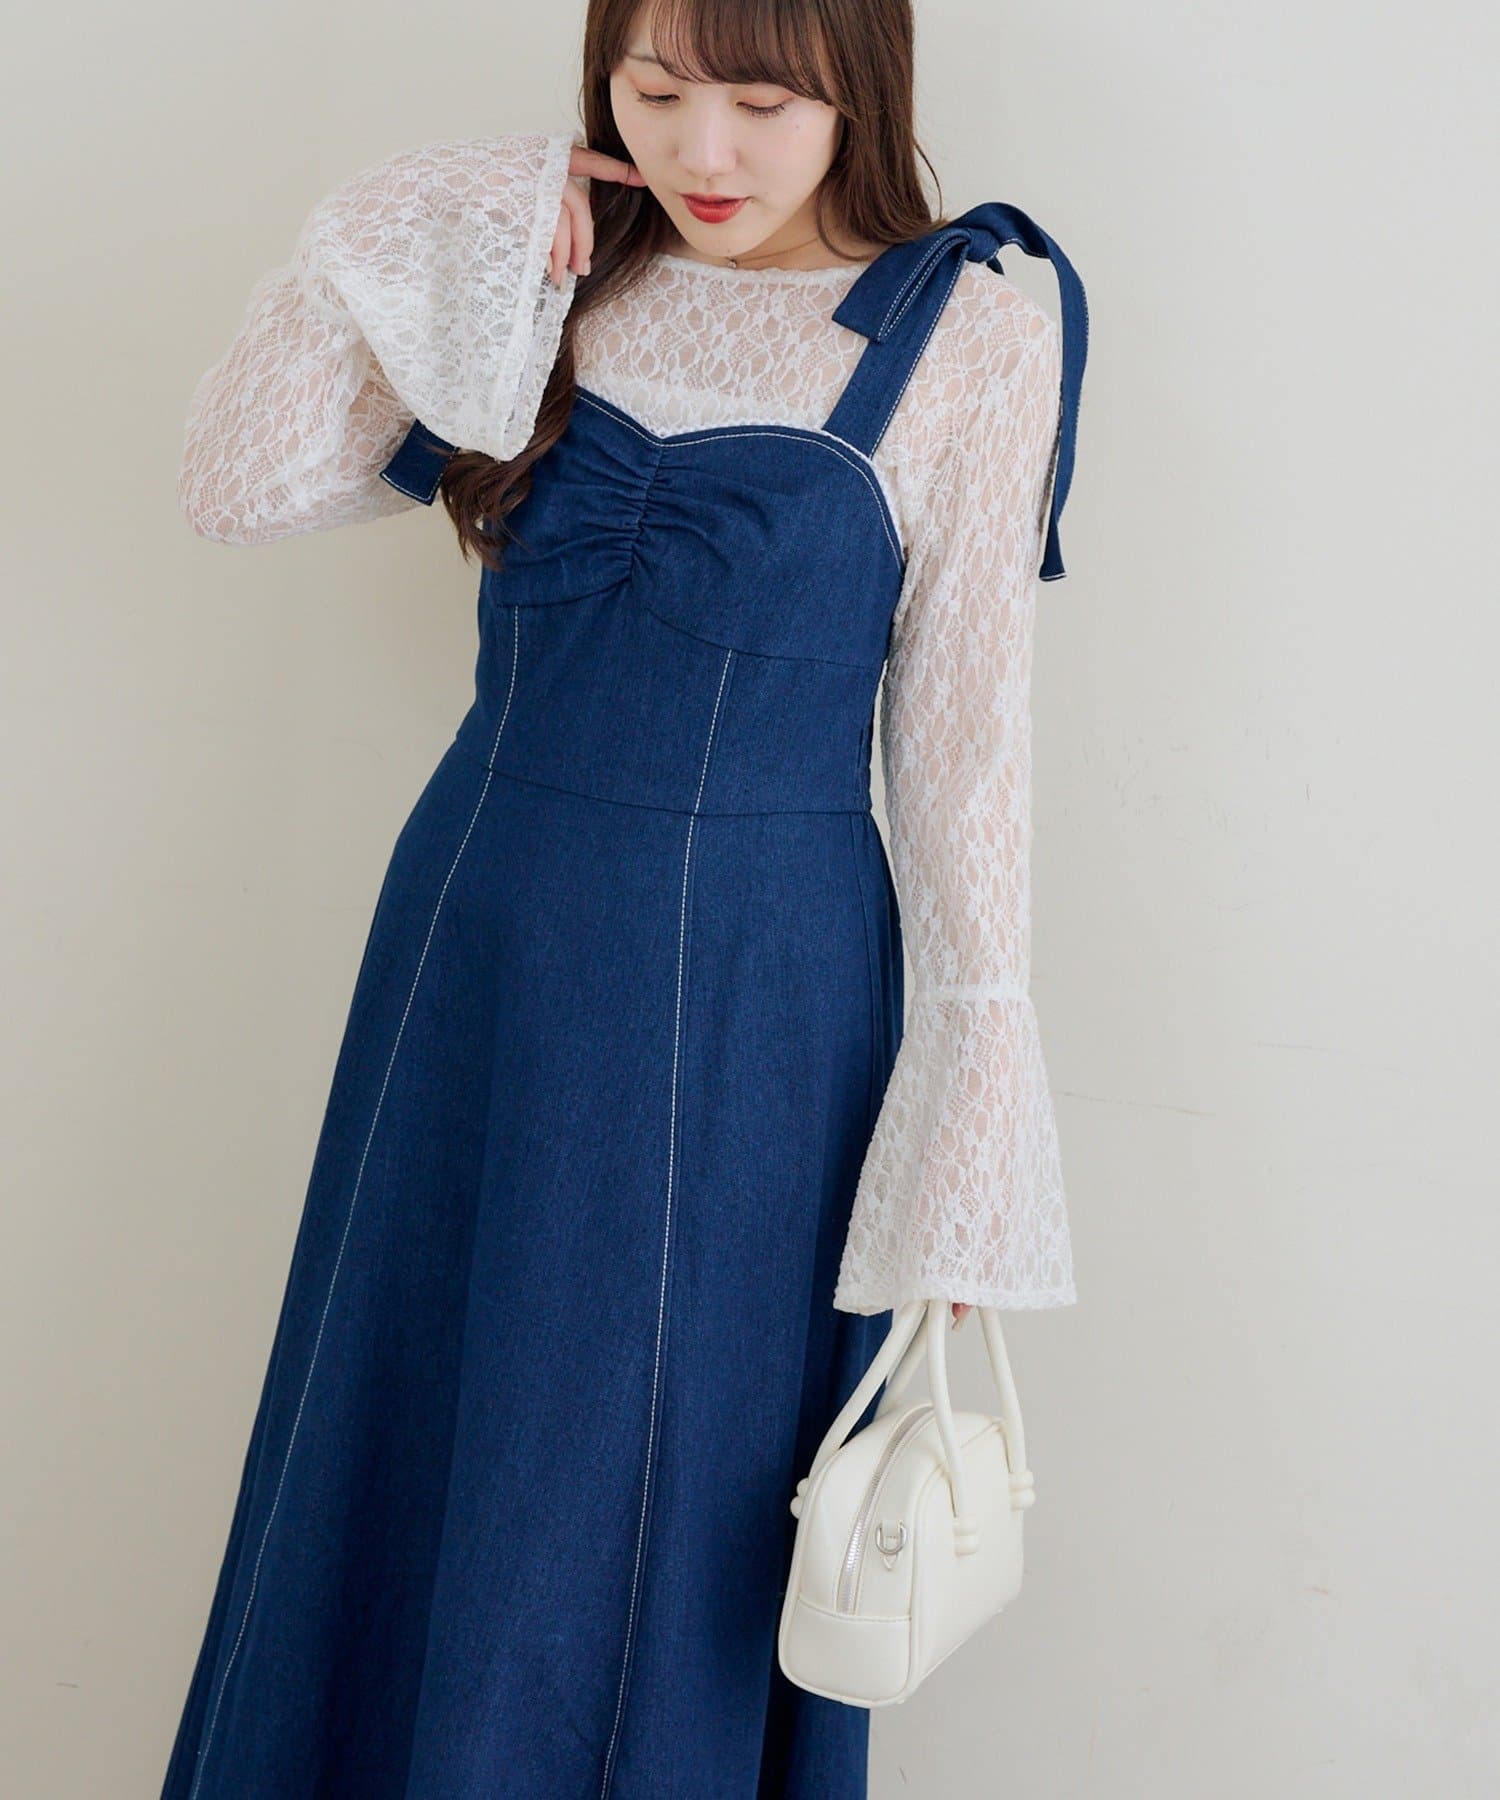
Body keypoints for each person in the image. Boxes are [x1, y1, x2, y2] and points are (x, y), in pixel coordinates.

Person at [162, 0, 1086, 1792]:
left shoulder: (975, 325)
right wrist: (398, 224)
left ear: (858, 92)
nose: (700, 152)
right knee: (411, 1417)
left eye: (759, 102)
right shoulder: (557, 282)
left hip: (759, 990)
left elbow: (966, 747)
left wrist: (967, 1126)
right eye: (654, 92)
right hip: (477, 939)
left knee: (658, 1479)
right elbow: (234, 485)